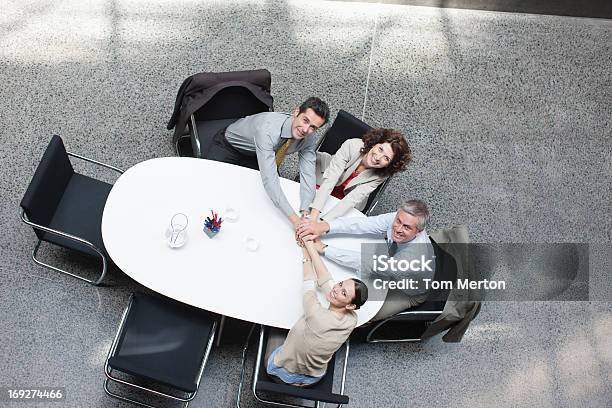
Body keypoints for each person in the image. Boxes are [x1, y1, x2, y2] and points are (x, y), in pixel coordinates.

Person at [202, 97, 330, 228]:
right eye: (305, 120)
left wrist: (305, 211)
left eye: (313, 127)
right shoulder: (267, 130)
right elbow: (270, 180)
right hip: (229, 146)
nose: (305, 129)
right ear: (296, 112)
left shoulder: (309, 137)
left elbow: (308, 174)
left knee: (257, 201)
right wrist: (295, 220)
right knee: (211, 185)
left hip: (257, 155)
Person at [297, 199, 434, 321]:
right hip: (388, 264)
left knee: (357, 314)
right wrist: (324, 227)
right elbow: (365, 224)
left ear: (419, 232)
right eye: (398, 221)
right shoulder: (402, 217)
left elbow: (367, 262)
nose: (398, 228)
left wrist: (324, 248)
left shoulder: (414, 257)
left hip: (404, 291)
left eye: (407, 227)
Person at [266, 241, 368, 386]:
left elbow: (309, 283)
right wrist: (310, 247)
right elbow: (326, 280)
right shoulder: (352, 319)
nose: (336, 289)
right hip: (316, 376)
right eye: (340, 284)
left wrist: (306, 255)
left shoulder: (316, 314)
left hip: (284, 373)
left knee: (274, 327)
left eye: (343, 293)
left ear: (350, 305)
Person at [309, 128, 411, 221]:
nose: (378, 157)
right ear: (375, 143)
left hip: (345, 201)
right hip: (322, 184)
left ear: (389, 164)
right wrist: (313, 217)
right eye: (380, 149)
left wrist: (324, 223)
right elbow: (331, 179)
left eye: (386, 158)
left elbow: (352, 199)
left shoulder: (382, 174)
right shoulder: (352, 146)